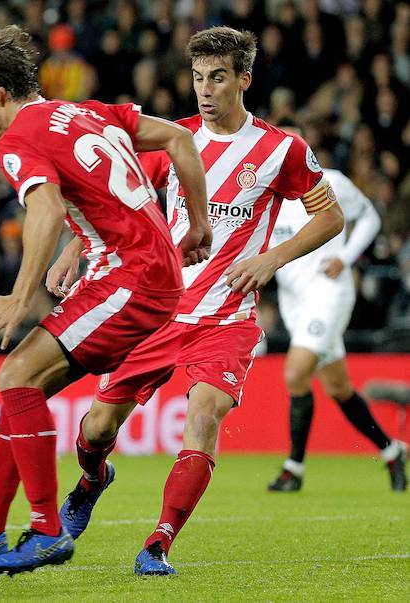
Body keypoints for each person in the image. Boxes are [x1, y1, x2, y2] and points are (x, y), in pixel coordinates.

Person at [0, 25, 212, 576]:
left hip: (132, 276)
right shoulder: (84, 112)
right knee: (23, 385)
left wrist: (20, 297)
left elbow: (45, 210)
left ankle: (46, 531)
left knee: (16, 376)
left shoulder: (17, 139)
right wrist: (197, 225)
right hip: (142, 270)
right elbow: (180, 140)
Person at [54, 27, 345, 576]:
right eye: (197, 78)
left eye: (217, 78)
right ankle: (93, 479)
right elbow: (123, 198)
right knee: (96, 428)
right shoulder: (173, 139)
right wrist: (76, 248)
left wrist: (270, 259)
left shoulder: (282, 149)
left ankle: (157, 545)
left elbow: (331, 216)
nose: (205, 90)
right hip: (158, 310)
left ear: (244, 80)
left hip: (227, 318)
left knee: (204, 414)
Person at [266, 123, 407, 493]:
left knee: (296, 372)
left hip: (328, 293)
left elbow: (370, 217)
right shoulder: (266, 195)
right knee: (339, 387)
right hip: (294, 301)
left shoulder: (329, 181)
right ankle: (392, 451)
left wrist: (344, 257)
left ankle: (293, 467)